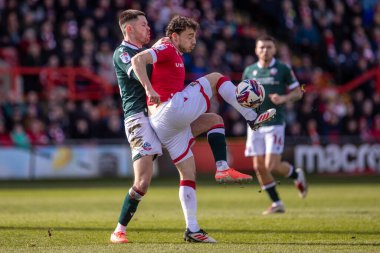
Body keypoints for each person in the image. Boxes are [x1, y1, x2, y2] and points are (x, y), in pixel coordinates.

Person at [110, 10, 254, 244]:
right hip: (138, 119)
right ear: (129, 29)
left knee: (206, 136)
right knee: (143, 182)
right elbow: (139, 69)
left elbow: (162, 73)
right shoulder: (123, 53)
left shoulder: (152, 49)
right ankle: (119, 230)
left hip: (158, 115)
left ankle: (193, 229)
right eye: (144, 25)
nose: (148, 28)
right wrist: (150, 87)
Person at [243, 35, 308, 215]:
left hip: (275, 122)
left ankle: (296, 175)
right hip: (254, 123)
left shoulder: (283, 69)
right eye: (262, 47)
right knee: (258, 167)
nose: (265, 50)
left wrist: (284, 98)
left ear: (274, 49)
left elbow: (299, 91)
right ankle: (277, 203)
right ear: (256, 50)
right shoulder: (249, 71)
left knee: (271, 166)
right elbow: (243, 95)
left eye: (269, 47)